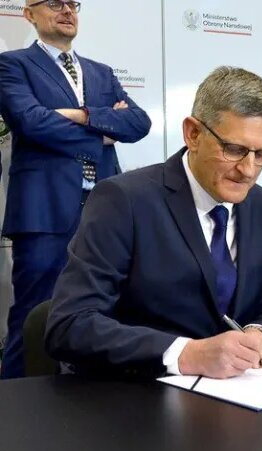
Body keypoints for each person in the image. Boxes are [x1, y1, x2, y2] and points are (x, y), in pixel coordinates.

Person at [45, 66, 262, 379]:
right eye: (234, 150)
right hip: (137, 391)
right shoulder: (124, 200)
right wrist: (186, 354)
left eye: (261, 154)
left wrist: (260, 332)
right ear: (193, 134)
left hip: (236, 393)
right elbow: (70, 325)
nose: (248, 169)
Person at [0, 0, 151, 378]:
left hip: (105, 211)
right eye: (54, 3)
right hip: (45, 211)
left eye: (72, 3)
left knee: (105, 311)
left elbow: (138, 123)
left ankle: (92, 400)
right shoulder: (13, 65)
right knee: (34, 314)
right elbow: (31, 122)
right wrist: (104, 130)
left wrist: (80, 115)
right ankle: (16, 404)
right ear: (29, 14)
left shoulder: (102, 73)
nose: (67, 10)